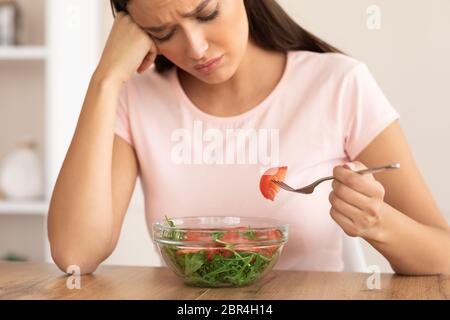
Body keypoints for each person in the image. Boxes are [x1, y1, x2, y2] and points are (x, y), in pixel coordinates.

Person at [48, 0, 450, 275]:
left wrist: (377, 223)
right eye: (163, 32)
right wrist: (105, 79)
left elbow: (443, 257)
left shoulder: (338, 85)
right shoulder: (136, 98)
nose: (196, 47)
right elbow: (75, 257)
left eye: (205, 13)